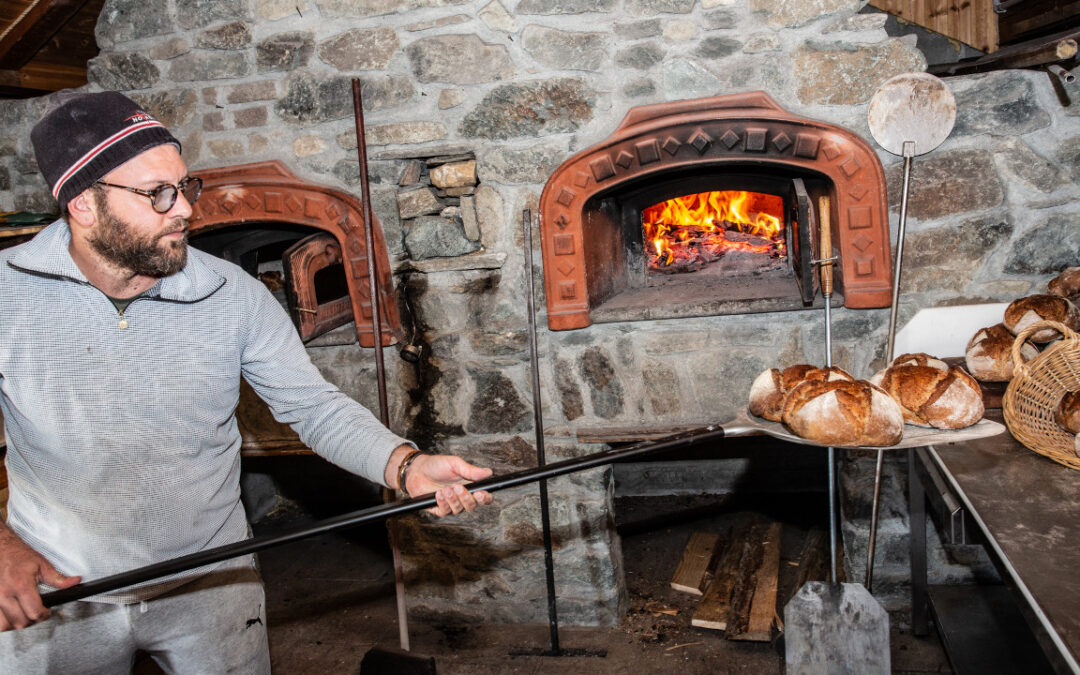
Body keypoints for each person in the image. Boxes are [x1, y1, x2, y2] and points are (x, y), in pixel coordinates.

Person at [0, 91, 493, 673]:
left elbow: (314, 408)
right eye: (157, 193)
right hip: (58, 588)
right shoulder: (8, 296)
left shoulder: (230, 293)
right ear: (83, 205)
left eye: (184, 187)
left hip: (215, 578)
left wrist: (404, 465)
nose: (182, 209)